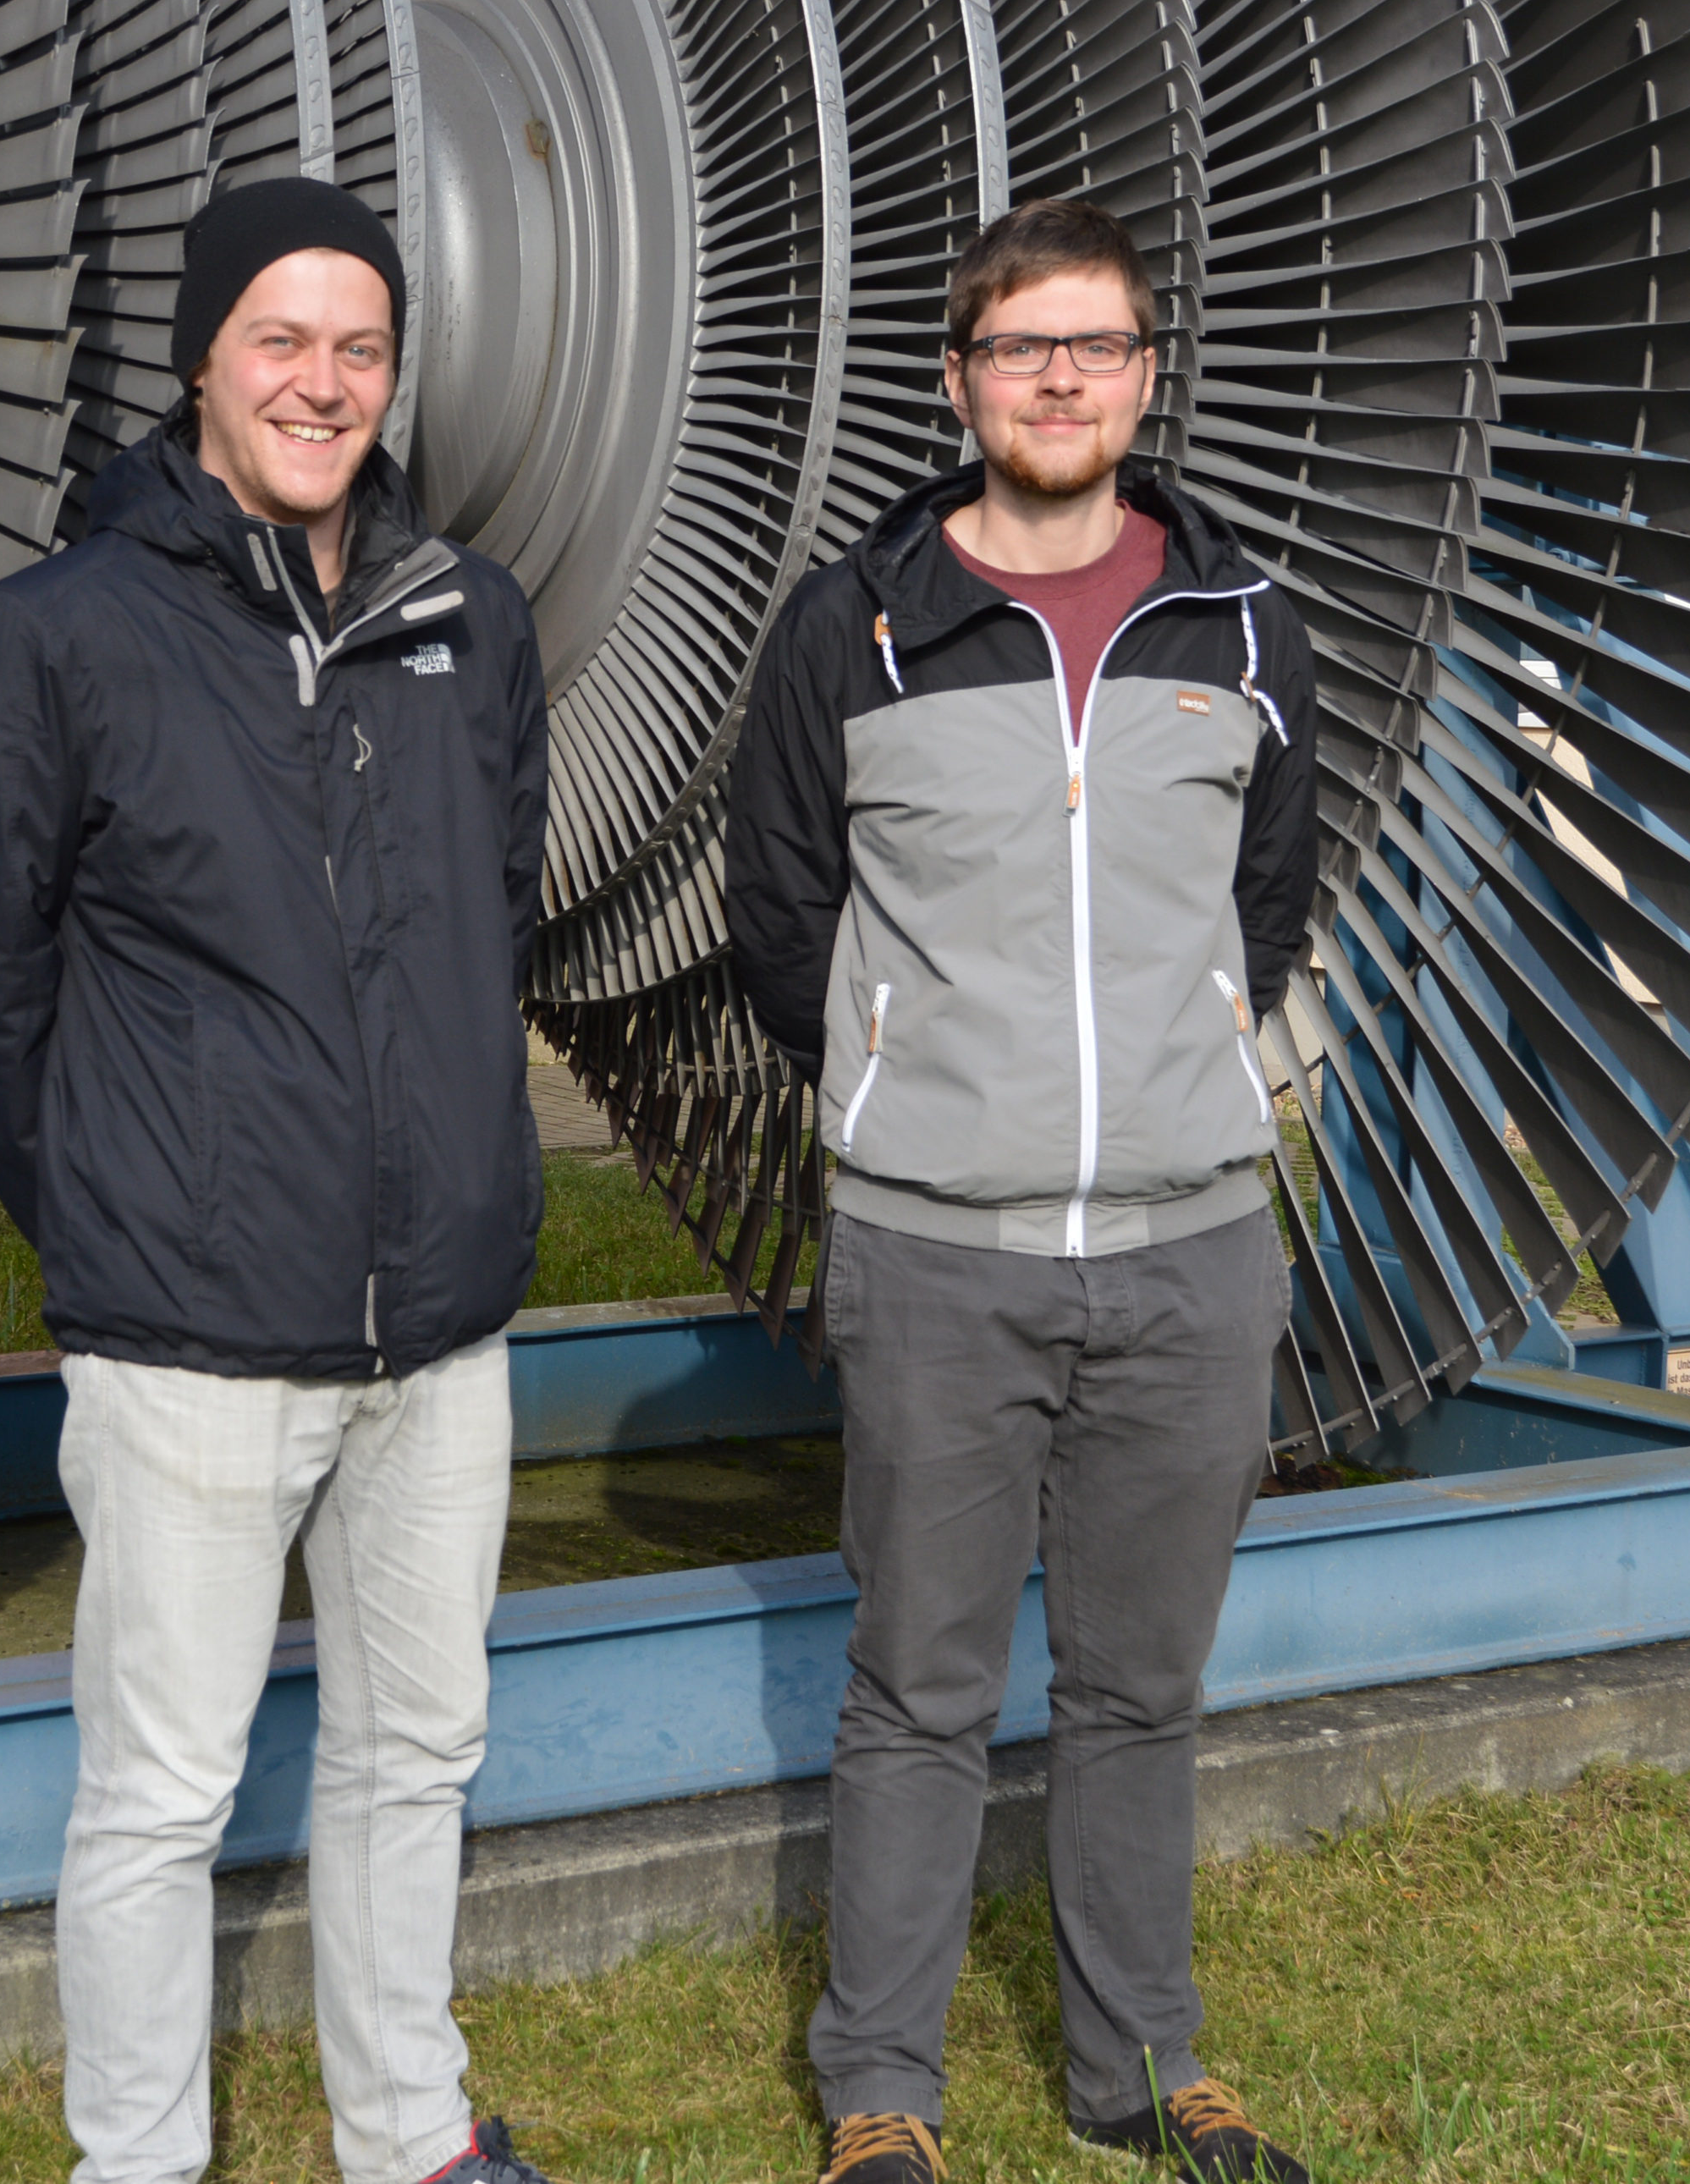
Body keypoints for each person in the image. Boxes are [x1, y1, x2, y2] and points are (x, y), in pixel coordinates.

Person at [0, 175, 555, 2184]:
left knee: (416, 1752)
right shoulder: (59, 637)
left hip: (437, 1332)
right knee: (163, 1792)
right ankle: (142, 2162)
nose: (323, 381)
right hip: (187, 1340)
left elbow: (489, 917)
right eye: (281, 337)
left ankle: (410, 2134)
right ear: (201, 355)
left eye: (360, 345)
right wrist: (115, 1199)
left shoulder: (469, 618)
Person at [724, 198, 1322, 2184]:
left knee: (1143, 1686)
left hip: (1190, 1253)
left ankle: (1143, 2064)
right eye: (1018, 346)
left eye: (1096, 344)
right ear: (960, 376)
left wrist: (1182, 1079)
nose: (1058, 377)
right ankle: (882, 2086)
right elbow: (782, 908)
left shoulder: (1240, 625)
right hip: (937, 1255)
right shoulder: (857, 624)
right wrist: (914, 1094)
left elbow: (1271, 900)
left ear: (1149, 375)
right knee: (921, 1687)